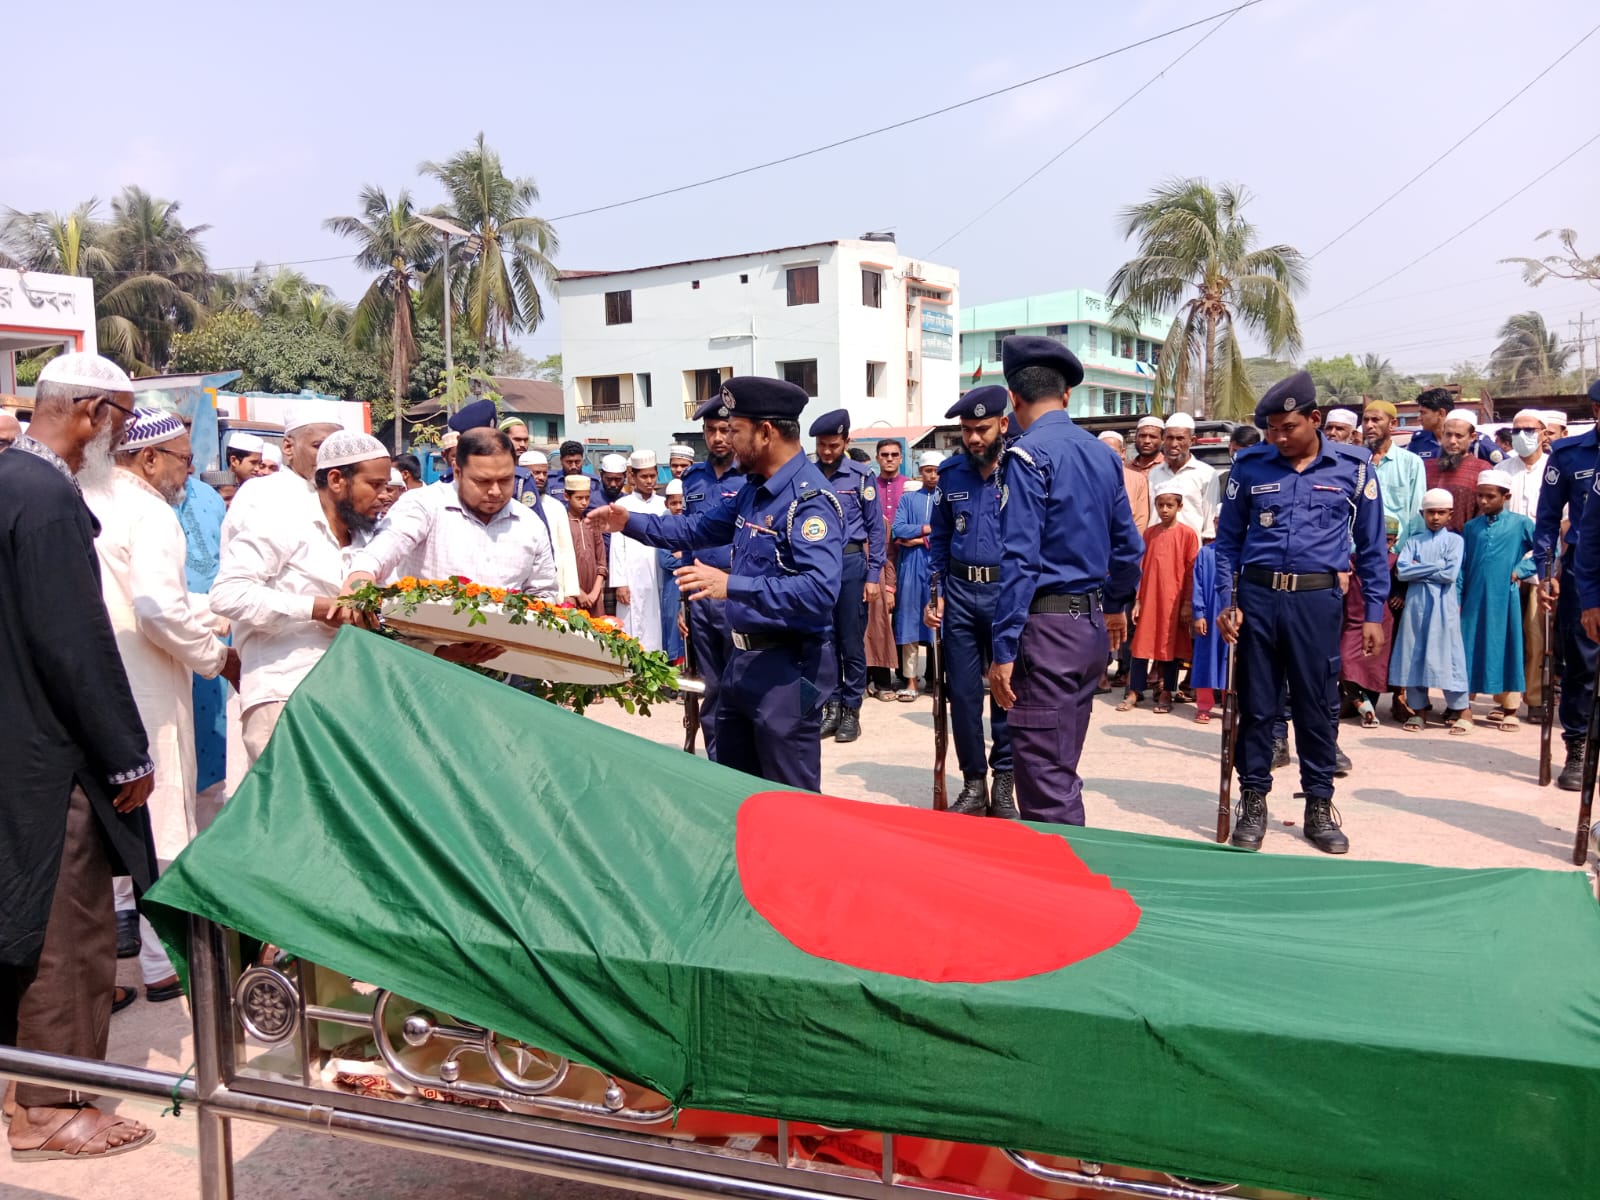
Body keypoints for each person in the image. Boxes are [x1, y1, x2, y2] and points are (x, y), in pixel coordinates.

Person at [1, 352, 159, 1161]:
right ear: (92, 412)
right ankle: (51, 1110)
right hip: (51, 758)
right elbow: (74, 644)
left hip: (15, 745)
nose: (121, 437)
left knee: (26, 924)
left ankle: (27, 1090)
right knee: (70, 933)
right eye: (121, 419)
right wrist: (125, 755)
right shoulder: (47, 498)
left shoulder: (8, 483)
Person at [589, 376, 844, 790]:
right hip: (742, 664)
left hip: (789, 670)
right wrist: (629, 522)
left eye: (734, 430)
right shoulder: (753, 491)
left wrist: (732, 586)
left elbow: (819, 593)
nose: (725, 439)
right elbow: (695, 530)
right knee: (735, 788)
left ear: (765, 432)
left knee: (791, 799)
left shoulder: (810, 501)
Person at [84, 408, 238, 1005]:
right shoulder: (149, 511)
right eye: (181, 458)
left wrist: (219, 609)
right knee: (163, 825)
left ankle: (110, 973)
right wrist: (217, 657)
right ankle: (164, 961)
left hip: (100, 681)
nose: (189, 471)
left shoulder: (91, 498)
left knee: (102, 836)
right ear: (147, 459)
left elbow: (146, 601)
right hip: (144, 687)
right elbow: (157, 612)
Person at [1214, 370, 1388, 854]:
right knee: (1257, 706)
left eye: (1288, 427)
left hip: (1317, 601)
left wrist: (1372, 612)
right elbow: (1227, 543)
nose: (1278, 437)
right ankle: (1253, 800)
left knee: (1317, 706)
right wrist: (1226, 601)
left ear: (1314, 419)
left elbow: (1372, 548)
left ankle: (1318, 802)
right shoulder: (1250, 467)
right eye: (1271, 429)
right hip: (1257, 599)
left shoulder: (1354, 469)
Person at [989, 336, 1142, 826]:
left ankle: (1065, 889)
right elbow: (1129, 548)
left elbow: (1019, 560)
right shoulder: (1102, 455)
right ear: (1068, 395)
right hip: (1089, 628)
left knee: (1045, 779)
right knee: (1061, 760)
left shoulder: (1027, 457)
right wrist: (1115, 605)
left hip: (1045, 634)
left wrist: (1004, 648)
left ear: (1013, 399)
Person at [214, 432, 395, 765]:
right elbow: (228, 594)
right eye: (376, 484)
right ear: (337, 480)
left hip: (353, 700)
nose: (384, 496)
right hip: (285, 694)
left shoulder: (372, 541)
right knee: (288, 810)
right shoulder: (280, 521)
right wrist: (316, 608)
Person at [344, 427, 559, 605]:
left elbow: (543, 594)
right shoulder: (423, 505)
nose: (495, 491)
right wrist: (360, 579)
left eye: (505, 480)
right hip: (426, 650)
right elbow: (380, 551)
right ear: (457, 472)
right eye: (482, 481)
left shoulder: (530, 524)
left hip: (503, 651)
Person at [926, 385, 1014, 817]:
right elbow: (939, 537)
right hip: (959, 595)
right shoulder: (950, 475)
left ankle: (1005, 783)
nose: (975, 438)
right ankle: (974, 783)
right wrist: (935, 591)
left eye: (982, 429)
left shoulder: (1021, 471)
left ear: (1003, 424)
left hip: (1005, 594)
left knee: (1006, 690)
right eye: (967, 430)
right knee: (961, 695)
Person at [811, 409, 886, 744]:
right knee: (823, 641)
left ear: (846, 441)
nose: (827, 451)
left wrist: (873, 575)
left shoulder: (860, 476)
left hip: (851, 564)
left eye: (833, 445)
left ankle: (852, 711)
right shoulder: (808, 475)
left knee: (851, 641)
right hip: (815, 569)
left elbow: (876, 529)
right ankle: (832, 704)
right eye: (822, 445)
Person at [1539, 379, 1600, 789]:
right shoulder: (1569, 452)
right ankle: (1577, 746)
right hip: (1585, 571)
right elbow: (1547, 518)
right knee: (1582, 664)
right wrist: (1547, 572)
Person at [678, 395, 745, 759]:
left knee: (740, 680)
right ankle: (715, 758)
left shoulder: (750, 478)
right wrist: (682, 602)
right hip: (700, 595)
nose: (718, 437)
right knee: (710, 683)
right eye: (710, 430)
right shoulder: (693, 479)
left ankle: (740, 757)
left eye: (724, 430)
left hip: (736, 591)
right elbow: (688, 538)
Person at [1460, 470, 1536, 729]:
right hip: (1473, 598)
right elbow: (1462, 565)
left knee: (1507, 645)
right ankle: (1463, 709)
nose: (1483, 501)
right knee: (1469, 646)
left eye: (1490, 496)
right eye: (1480, 496)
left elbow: (1549, 550)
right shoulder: (1471, 527)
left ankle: (1510, 708)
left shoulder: (1520, 523)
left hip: (1505, 598)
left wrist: (1521, 571)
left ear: (1506, 496)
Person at [1390, 490, 1469, 735]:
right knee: (1415, 653)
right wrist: (1436, 566)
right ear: (1422, 514)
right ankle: (1419, 710)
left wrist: (1419, 567)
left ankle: (1461, 710)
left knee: (1449, 654)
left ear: (1450, 514)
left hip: (1444, 606)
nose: (1435, 517)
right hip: (1415, 605)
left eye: (1441, 513)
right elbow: (1402, 572)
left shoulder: (1455, 541)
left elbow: (1449, 575)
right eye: (1431, 512)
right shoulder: (1413, 541)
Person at [1120, 483, 1197, 712]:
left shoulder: (1188, 535)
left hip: (1174, 600)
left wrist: (1187, 603)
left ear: (1179, 506)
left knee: (1170, 647)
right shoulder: (1149, 533)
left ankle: (1166, 692)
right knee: (1141, 645)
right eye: (1160, 505)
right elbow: (1141, 568)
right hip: (1151, 598)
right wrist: (1139, 600)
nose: (1164, 510)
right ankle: (1135, 690)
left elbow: (1192, 571)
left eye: (1169, 505)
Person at [1500, 409, 1551, 716]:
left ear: (1544, 433)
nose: (1521, 435)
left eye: (1528, 429)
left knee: (1536, 635)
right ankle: (1506, 699)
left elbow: (1564, 520)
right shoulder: (1503, 468)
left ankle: (1534, 698)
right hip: (1505, 566)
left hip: (1541, 565)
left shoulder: (1554, 468)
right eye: (1516, 430)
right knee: (1507, 634)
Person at [1340, 516, 1401, 727]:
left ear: (1394, 542)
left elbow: (1403, 583)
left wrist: (1399, 595)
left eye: (1389, 540)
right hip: (1353, 620)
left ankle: (1368, 709)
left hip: (1381, 621)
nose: (1383, 544)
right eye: (1380, 538)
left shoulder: (1394, 562)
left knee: (1374, 667)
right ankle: (1360, 703)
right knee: (1345, 661)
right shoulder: (1351, 560)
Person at [890, 451, 939, 700]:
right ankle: (911, 681)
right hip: (911, 566)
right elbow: (898, 529)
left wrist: (917, 539)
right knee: (909, 622)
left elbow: (950, 532)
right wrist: (927, 529)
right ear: (921, 471)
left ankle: (939, 680)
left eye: (936, 470)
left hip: (937, 566)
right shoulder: (909, 499)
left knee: (938, 624)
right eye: (928, 470)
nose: (933, 475)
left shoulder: (946, 499)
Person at [610, 449, 667, 652]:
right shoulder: (622, 505)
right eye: (644, 476)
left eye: (652, 476)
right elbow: (617, 548)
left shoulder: (664, 505)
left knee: (658, 622)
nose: (649, 481)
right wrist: (620, 583)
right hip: (631, 578)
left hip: (658, 576)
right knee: (632, 628)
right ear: (633, 476)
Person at [866, 439, 910, 700]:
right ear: (877, 457)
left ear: (901, 457)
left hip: (907, 556)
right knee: (878, 618)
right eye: (885, 454)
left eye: (895, 454)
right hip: (878, 559)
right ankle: (876, 676)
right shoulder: (869, 485)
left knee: (905, 616)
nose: (890, 459)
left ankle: (907, 676)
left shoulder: (910, 486)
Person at [518, 450, 581, 605]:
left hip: (554, 587)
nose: (541, 477)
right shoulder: (512, 505)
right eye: (535, 473)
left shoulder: (557, 507)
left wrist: (571, 592)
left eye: (544, 473)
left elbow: (567, 550)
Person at [1361, 400, 1426, 549]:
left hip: (1397, 553)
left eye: (1376, 420)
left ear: (1393, 424)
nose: (1369, 425)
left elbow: (1417, 514)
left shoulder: (1411, 463)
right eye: (1366, 420)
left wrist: (1412, 554)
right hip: (1359, 552)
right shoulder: (1355, 463)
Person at [1146, 411, 1219, 538]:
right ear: (1163, 439)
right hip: (1157, 548)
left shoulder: (1206, 474)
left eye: (1180, 438)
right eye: (1170, 438)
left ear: (1192, 441)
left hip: (1191, 552)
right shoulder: (1153, 474)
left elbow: (1210, 524)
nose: (1174, 444)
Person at [1423, 408, 1491, 532]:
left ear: (1472, 437)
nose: (1452, 441)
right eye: (1448, 434)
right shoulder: (1427, 467)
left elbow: (1484, 515)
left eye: (1459, 436)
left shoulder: (1482, 469)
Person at [1406, 387, 1500, 463]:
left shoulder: (1478, 442)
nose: (1419, 418)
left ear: (1441, 413)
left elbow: (1505, 467)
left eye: (1423, 413)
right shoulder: (1418, 441)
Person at [1188, 539, 1226, 723]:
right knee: (1205, 659)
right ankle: (1203, 706)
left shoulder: (1243, 551)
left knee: (1231, 660)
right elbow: (1198, 584)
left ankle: (1230, 705)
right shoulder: (1205, 552)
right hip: (1209, 614)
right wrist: (1199, 613)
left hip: (1234, 615)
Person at [564, 474, 607, 617]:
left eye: (587, 498)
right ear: (567, 496)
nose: (584, 502)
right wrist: (578, 592)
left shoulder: (592, 523)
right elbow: (561, 564)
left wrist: (595, 592)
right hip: (571, 593)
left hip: (594, 594)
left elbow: (601, 561)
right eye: (579, 498)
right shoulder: (562, 523)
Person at [1101, 429, 1150, 536]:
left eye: (1113, 452)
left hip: (1126, 543)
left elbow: (1140, 520)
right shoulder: (1089, 478)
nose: (1107, 456)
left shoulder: (1138, 480)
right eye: (1103, 451)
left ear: (1122, 453)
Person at [659, 479, 686, 664]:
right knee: (672, 629)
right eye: (674, 503)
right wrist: (689, 557)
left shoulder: (691, 523)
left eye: (681, 502)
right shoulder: (664, 525)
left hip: (690, 586)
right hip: (673, 586)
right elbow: (665, 560)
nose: (678, 507)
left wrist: (681, 555)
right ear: (666, 504)